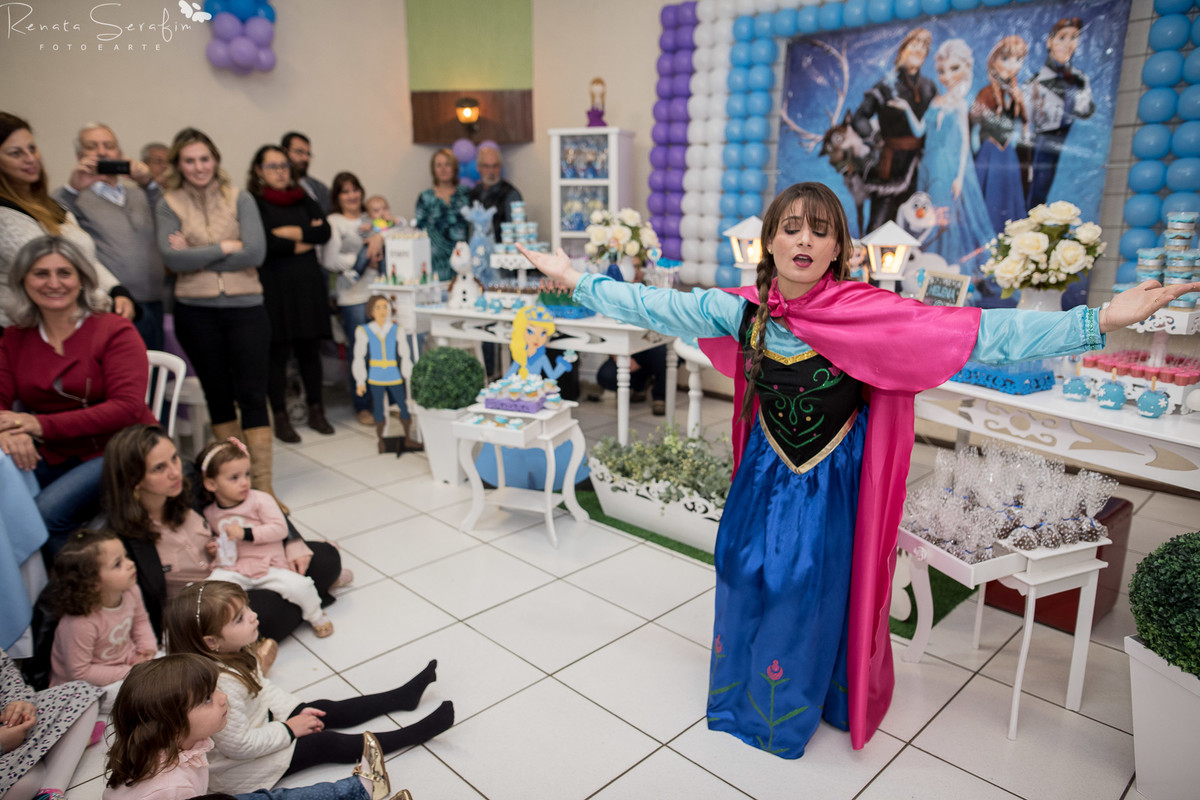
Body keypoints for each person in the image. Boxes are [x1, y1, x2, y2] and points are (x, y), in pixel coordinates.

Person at [516, 181, 1200, 759]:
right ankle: (743, 689)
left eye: (819, 231)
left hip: (827, 483)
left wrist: (1099, 320)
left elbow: (980, 333)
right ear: (769, 242)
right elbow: (652, 304)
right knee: (743, 570)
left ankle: (787, 712)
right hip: (763, 473)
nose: (803, 241)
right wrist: (575, 278)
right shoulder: (738, 309)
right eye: (791, 228)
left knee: (805, 584)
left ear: (839, 249)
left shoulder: (867, 315)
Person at [164, 581, 454, 795]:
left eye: (247, 607)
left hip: (261, 727)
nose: (253, 615)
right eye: (239, 618)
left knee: (323, 709)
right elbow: (241, 746)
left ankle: (403, 697)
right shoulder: (218, 684)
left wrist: (296, 711)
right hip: (241, 768)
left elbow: (262, 690)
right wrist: (290, 729)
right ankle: (413, 734)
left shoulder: (235, 652)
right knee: (323, 744)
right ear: (211, 642)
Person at [101, 424, 347, 647]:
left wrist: (293, 540)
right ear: (134, 479)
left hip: (242, 569)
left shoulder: (190, 486)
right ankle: (306, 600)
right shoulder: (123, 539)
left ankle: (275, 620)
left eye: (174, 458)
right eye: (159, 468)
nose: (175, 472)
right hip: (205, 606)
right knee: (260, 614)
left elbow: (252, 501)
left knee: (326, 557)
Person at [0, 236, 157, 552]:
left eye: (64, 273)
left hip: (124, 447)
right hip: (56, 451)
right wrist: (9, 431)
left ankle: (85, 580)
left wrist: (37, 425)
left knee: (42, 516)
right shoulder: (15, 338)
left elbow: (126, 408)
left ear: (82, 279)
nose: (53, 283)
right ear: (23, 280)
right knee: (10, 510)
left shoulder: (114, 329)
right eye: (41, 273)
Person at [154, 128, 282, 510]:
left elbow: (255, 253)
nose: (199, 167)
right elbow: (172, 259)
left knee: (253, 394)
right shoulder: (168, 203)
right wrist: (226, 246)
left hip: (246, 307)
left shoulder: (239, 198)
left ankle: (263, 488)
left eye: (204, 159)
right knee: (218, 396)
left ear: (216, 160)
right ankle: (231, 487)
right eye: (189, 160)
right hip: (196, 311)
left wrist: (196, 253)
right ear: (179, 164)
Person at [103, 654, 398, 800]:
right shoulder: (171, 787)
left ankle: (361, 789)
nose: (222, 698)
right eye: (207, 699)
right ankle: (362, 789)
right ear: (173, 724)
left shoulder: (171, 746)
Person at [0, 111, 135, 329]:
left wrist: (116, 290)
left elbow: (84, 259)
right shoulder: (5, 216)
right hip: (23, 330)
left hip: (76, 324)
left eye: (32, 149)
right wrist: (104, 303)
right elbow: (57, 276)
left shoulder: (54, 207)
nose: (30, 158)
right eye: (16, 153)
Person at [196, 437, 334, 638]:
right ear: (211, 483)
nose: (244, 482)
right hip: (235, 569)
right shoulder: (210, 513)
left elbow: (279, 529)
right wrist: (214, 546)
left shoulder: (260, 500)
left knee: (301, 586)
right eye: (234, 478)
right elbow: (219, 538)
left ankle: (316, 616)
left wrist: (246, 533)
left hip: (270, 566)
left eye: (247, 474)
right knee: (210, 590)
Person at [52, 122, 168, 350]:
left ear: (120, 154)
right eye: (92, 147)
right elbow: (52, 221)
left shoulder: (140, 194)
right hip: (111, 302)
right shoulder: (73, 196)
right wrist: (73, 188)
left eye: (109, 146)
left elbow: (168, 216)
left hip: (154, 298)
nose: (102, 152)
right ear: (79, 156)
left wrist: (148, 183)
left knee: (154, 367)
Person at [247, 145, 334, 443]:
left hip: (307, 285)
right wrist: (304, 235)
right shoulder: (255, 203)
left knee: (310, 351)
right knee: (277, 354)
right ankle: (280, 416)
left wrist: (289, 233)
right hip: (275, 288)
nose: (280, 172)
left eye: (283, 165)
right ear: (258, 170)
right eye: (272, 166)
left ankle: (316, 410)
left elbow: (324, 232)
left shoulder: (303, 197)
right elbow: (264, 244)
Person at [891, 39, 996, 274]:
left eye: (953, 68)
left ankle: (944, 269)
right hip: (927, 165)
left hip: (946, 168)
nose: (946, 76)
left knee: (943, 216)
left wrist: (959, 176)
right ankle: (925, 270)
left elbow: (965, 144)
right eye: (941, 71)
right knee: (925, 215)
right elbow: (920, 130)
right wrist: (907, 109)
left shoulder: (959, 104)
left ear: (966, 68)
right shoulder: (936, 101)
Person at [47, 530, 156, 711]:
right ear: (93, 583)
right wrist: (131, 671)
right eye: (118, 564)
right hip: (87, 688)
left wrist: (147, 649)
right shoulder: (80, 623)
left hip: (128, 664)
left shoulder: (131, 590)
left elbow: (141, 621)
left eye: (126, 557)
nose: (130, 564)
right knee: (152, 697)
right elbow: (80, 672)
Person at [850, 28, 938, 233]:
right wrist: (873, 138)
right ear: (902, 51)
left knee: (915, 225)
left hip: (921, 165)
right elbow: (859, 118)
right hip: (891, 166)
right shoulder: (885, 87)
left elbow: (936, 124)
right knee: (880, 224)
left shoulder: (929, 87)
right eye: (914, 45)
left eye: (923, 47)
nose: (919, 50)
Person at [320, 172, 382, 426]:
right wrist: (362, 259)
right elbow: (329, 259)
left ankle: (383, 402)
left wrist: (379, 238)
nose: (351, 195)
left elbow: (397, 227)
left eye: (355, 189)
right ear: (337, 197)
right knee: (360, 353)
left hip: (378, 292)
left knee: (382, 352)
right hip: (352, 296)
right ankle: (362, 405)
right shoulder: (334, 222)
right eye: (345, 191)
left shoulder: (371, 218)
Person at [0, 647, 102, 800]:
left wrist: (18, 703)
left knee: (81, 693)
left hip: (10, 729)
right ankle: (64, 745)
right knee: (28, 781)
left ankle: (49, 793)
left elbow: (6, 671)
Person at [1023, 17, 1094, 208]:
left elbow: (1084, 110)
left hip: (1071, 143)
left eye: (1073, 37)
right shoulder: (1034, 82)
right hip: (1045, 141)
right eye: (1062, 37)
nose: (1067, 44)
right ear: (1050, 42)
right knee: (1038, 189)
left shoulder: (1080, 79)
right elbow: (1027, 117)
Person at [971, 36, 1030, 235]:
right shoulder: (985, 93)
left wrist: (1019, 102)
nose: (1011, 65)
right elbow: (972, 124)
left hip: (1007, 155)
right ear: (993, 61)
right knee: (988, 201)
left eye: (1017, 60)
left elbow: (1024, 123)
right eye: (1005, 59)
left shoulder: (1015, 95)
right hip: (989, 153)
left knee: (1009, 202)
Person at [352, 295, 419, 453]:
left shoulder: (396, 329)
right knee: (379, 408)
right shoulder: (364, 330)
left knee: (402, 405)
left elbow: (404, 353)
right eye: (378, 307)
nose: (382, 311)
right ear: (371, 311)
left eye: (385, 307)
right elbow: (359, 357)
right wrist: (360, 381)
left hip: (393, 372)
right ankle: (381, 439)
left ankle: (408, 438)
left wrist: (408, 373)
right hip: (375, 374)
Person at [414, 148, 468, 281]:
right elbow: (420, 230)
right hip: (435, 259)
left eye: (447, 164)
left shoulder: (466, 194)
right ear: (433, 169)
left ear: (454, 168)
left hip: (463, 257)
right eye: (439, 165)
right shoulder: (425, 197)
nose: (443, 169)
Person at [466, 145, 522, 242]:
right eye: (486, 166)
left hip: (502, 249)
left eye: (495, 166)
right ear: (478, 168)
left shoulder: (510, 193)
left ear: (501, 167)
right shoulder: (473, 193)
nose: (491, 171)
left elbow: (518, 231)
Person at [505, 305, 574, 380]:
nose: (537, 339)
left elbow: (552, 375)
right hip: (520, 384)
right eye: (530, 331)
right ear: (521, 330)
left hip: (536, 385)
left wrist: (564, 363)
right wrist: (500, 384)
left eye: (543, 333)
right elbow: (511, 372)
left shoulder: (541, 357)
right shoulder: (520, 354)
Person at [280, 132, 330, 215]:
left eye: (308, 154)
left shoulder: (318, 187)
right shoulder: (278, 186)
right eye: (299, 152)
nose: (305, 158)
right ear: (284, 151)